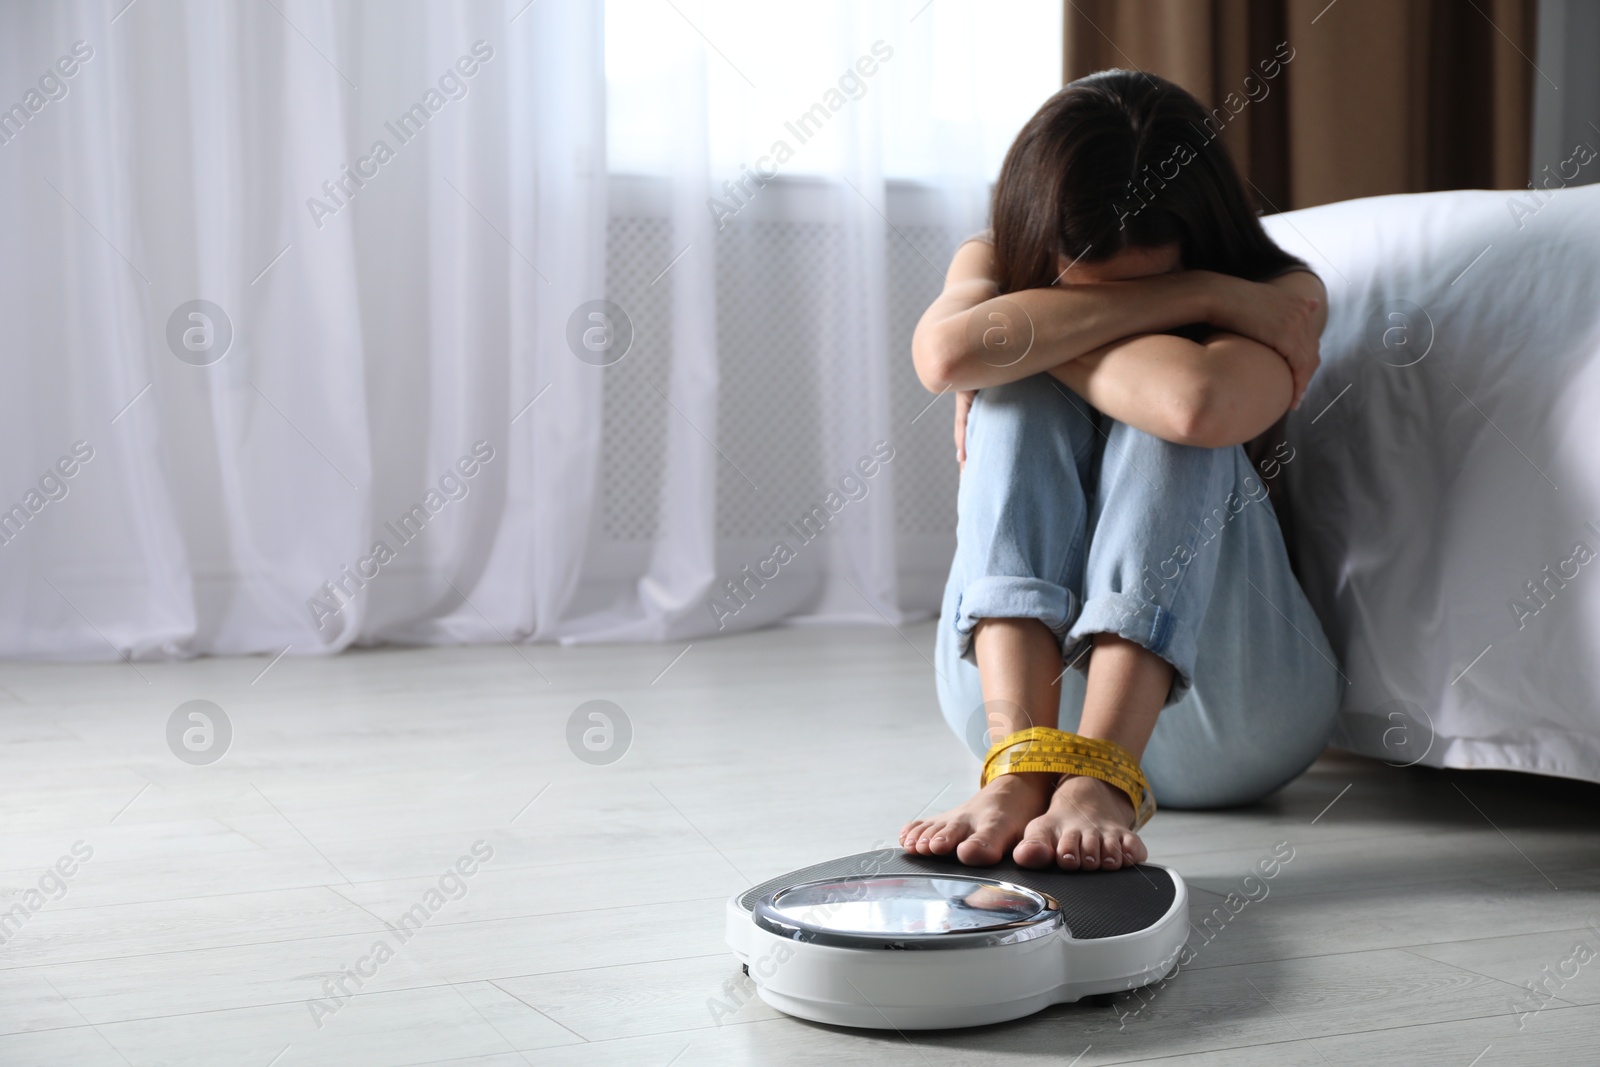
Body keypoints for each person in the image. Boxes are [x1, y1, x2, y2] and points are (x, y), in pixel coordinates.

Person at [898, 70, 1342, 873]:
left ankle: (1102, 774)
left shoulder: (1280, 294)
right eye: (1086, 294)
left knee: (1145, 409)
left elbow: (1196, 406)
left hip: (1232, 718)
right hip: (1010, 714)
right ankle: (1025, 767)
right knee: (1014, 396)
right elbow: (943, 355)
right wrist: (1195, 297)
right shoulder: (996, 254)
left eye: (1162, 280)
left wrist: (1037, 331)